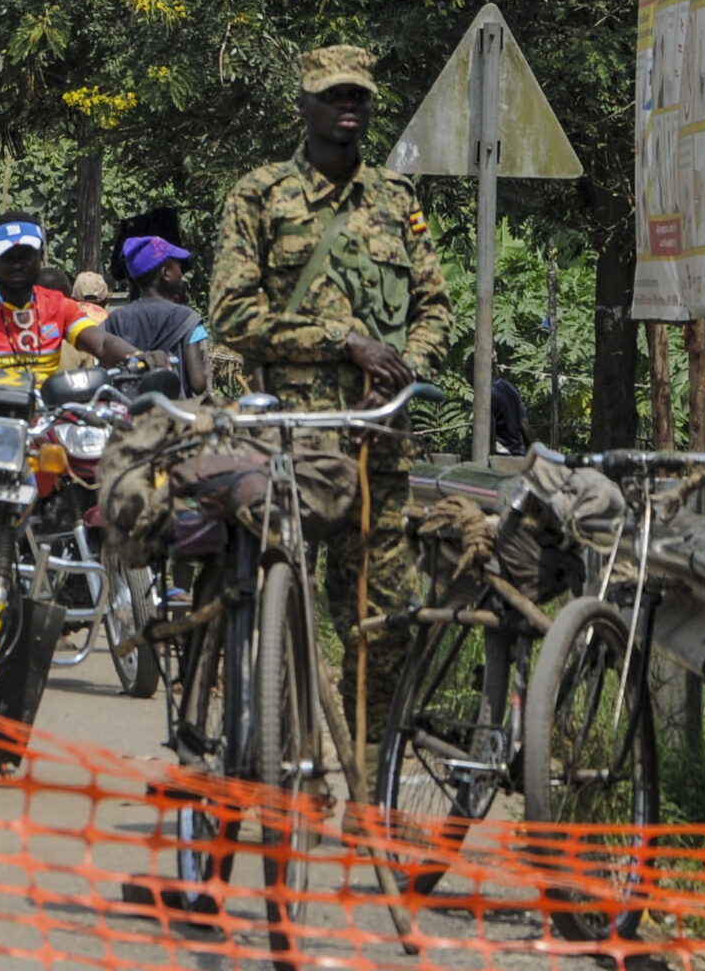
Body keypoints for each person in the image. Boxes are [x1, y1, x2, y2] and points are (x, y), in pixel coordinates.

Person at [209, 45, 451, 740]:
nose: (349, 106)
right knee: (271, 598)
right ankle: (269, 748)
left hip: (378, 440)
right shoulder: (259, 195)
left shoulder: (396, 200)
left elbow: (436, 306)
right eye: (333, 94)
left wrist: (402, 363)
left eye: (360, 96)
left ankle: (371, 778)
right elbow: (230, 315)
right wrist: (343, 342)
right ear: (304, 105)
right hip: (288, 440)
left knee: (384, 617)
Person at [0, 216, 141, 406]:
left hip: (47, 420)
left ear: (41, 256)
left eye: (25, 256)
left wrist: (137, 356)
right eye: (7, 257)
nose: (17, 265)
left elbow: (103, 343)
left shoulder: (59, 305)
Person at [102, 235, 212, 396]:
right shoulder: (188, 318)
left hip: (130, 413)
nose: (181, 272)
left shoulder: (115, 320)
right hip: (173, 414)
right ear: (166, 273)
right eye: (178, 266)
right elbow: (198, 383)